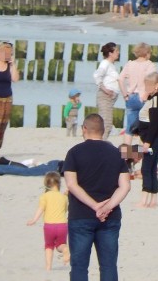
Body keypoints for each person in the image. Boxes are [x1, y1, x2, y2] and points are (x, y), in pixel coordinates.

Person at [64, 113, 131, 281]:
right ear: (103, 130)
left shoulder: (74, 152)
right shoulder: (116, 153)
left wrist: (95, 206)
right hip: (110, 216)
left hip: (81, 215)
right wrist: (107, 207)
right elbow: (125, 186)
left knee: (79, 266)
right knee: (108, 266)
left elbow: (72, 184)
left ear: (84, 129)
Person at [134, 73, 158, 208]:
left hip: (152, 139)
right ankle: (152, 199)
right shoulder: (154, 98)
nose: (146, 87)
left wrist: (147, 142)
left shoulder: (156, 100)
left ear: (156, 86)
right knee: (152, 168)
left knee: (146, 168)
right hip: (152, 138)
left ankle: (145, 199)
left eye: (148, 85)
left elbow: (154, 124)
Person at [26, 171, 69, 271]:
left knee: (49, 246)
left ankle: (48, 266)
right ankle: (65, 249)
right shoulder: (63, 197)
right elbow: (65, 210)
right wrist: (66, 196)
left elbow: (40, 209)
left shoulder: (44, 196)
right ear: (59, 184)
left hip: (49, 226)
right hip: (62, 225)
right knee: (60, 244)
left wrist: (34, 220)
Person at [118, 42, 156, 134]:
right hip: (143, 97)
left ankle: (127, 148)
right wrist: (146, 95)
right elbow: (151, 81)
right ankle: (142, 148)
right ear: (147, 53)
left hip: (130, 96)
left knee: (130, 128)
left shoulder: (130, 64)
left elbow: (120, 79)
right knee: (145, 127)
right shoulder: (149, 65)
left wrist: (125, 95)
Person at [93, 42, 121, 138]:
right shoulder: (105, 63)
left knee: (107, 124)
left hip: (110, 99)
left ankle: (100, 144)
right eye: (116, 51)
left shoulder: (112, 65)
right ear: (110, 53)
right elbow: (97, 75)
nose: (118, 53)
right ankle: (100, 146)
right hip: (105, 97)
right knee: (106, 124)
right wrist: (105, 89)